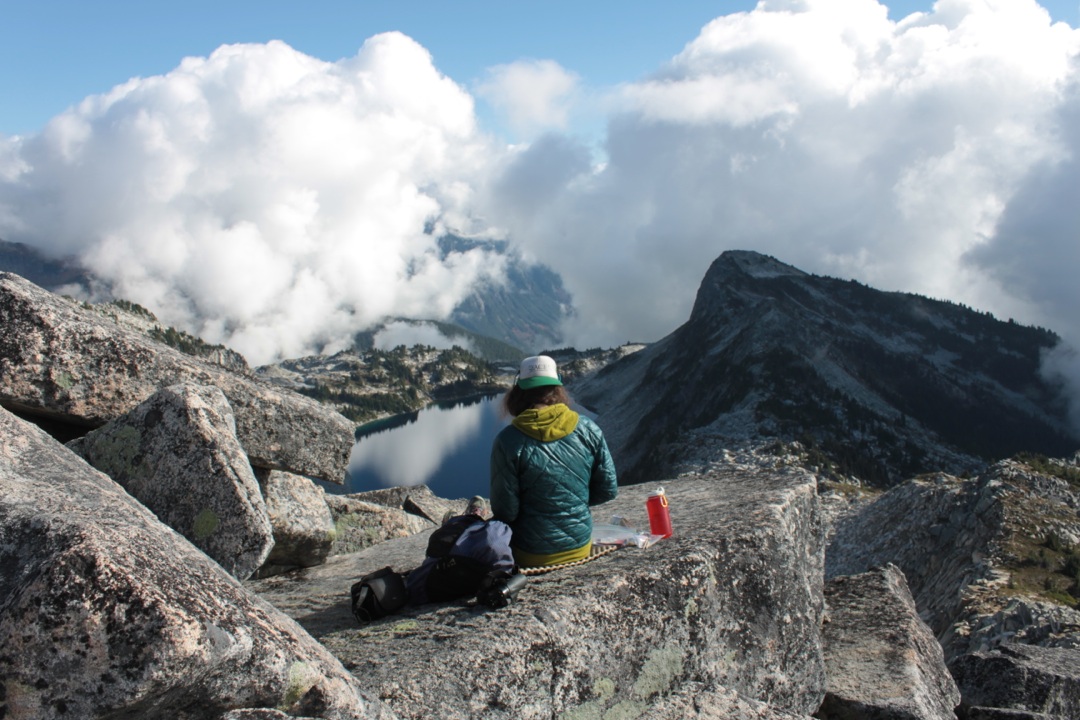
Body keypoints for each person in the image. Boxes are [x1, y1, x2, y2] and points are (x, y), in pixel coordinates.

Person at [489, 355, 618, 569]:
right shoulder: (588, 429)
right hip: (580, 547)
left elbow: (506, 511)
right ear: (557, 390)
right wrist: (572, 502)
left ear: (518, 391)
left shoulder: (507, 441)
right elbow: (608, 490)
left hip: (530, 555)